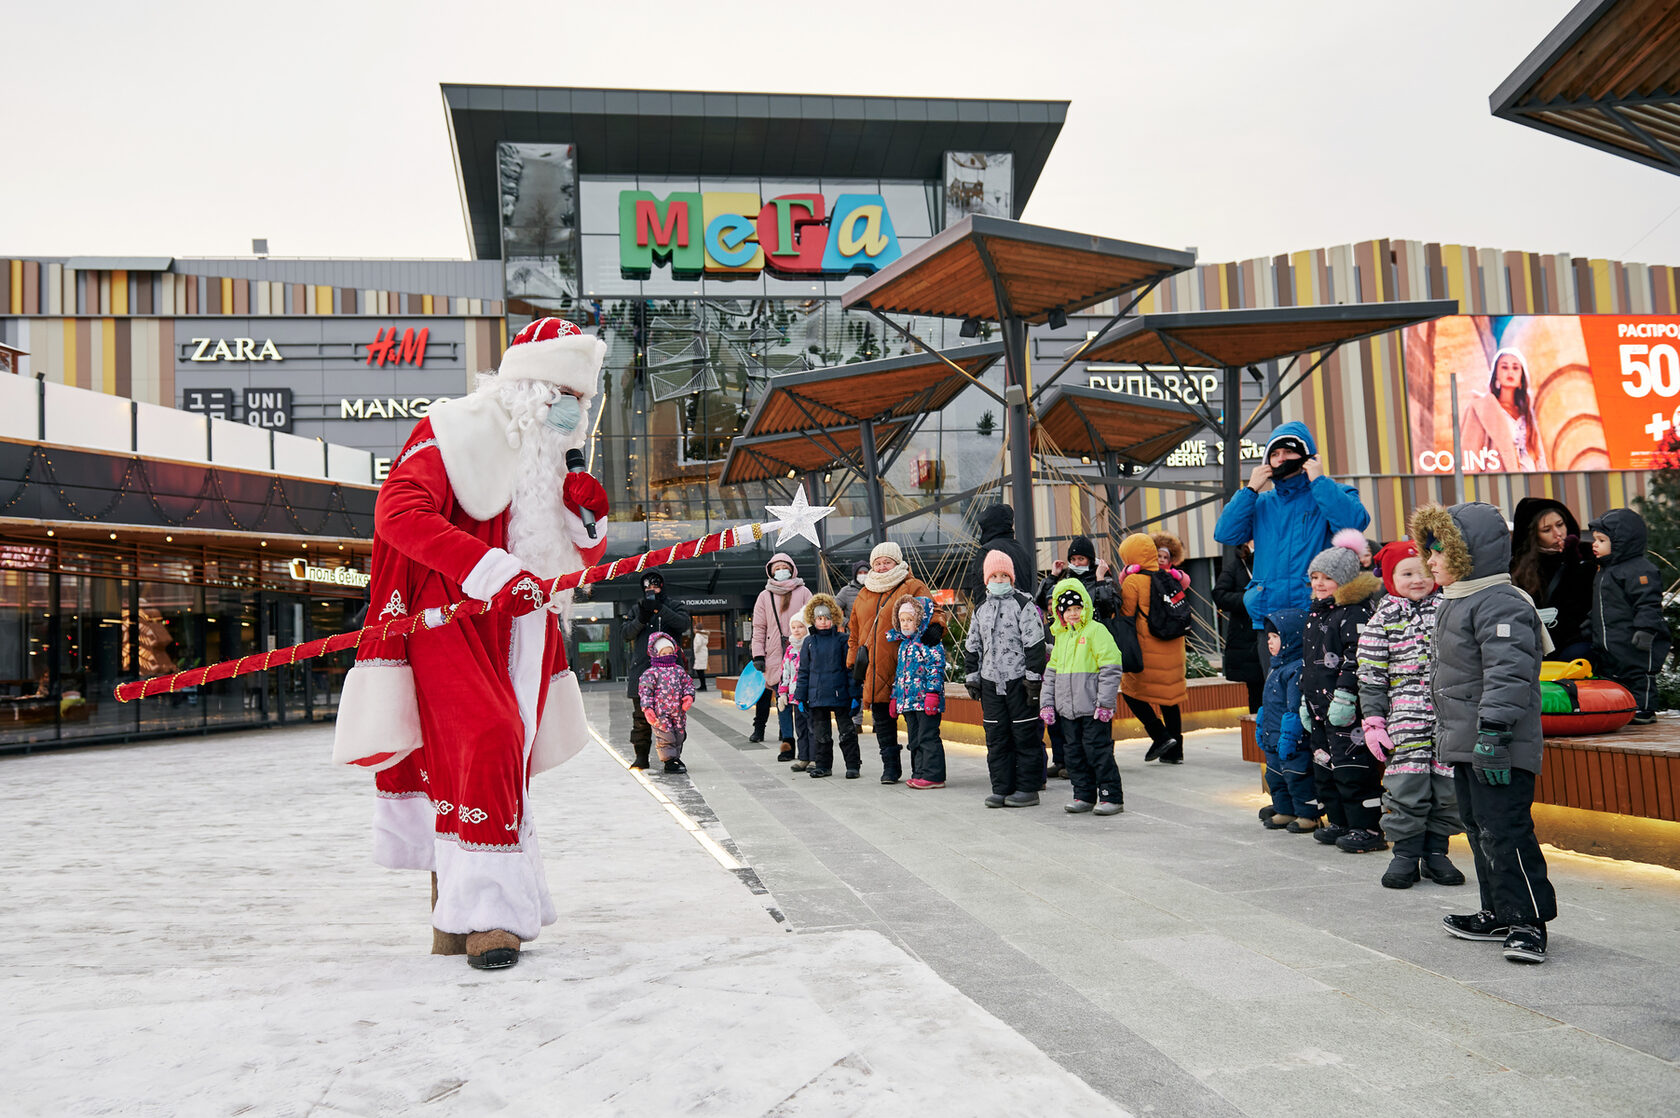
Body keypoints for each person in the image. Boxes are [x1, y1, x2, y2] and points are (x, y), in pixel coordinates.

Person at [334, 316, 611, 970]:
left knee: (497, 760)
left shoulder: (553, 459)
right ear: (531, 390)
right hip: (451, 615)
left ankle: (453, 914)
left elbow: (573, 560)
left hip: (525, 626)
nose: (573, 413)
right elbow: (398, 514)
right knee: (486, 737)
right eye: (565, 397)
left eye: (582, 402)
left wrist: (587, 524)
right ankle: (489, 917)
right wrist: (490, 572)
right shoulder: (452, 429)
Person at [1413, 501, 1556, 964]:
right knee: (1478, 828)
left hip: (1499, 744)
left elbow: (1508, 674)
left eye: (1438, 551)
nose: (1429, 561)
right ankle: (1498, 910)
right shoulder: (1461, 599)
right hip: (1466, 742)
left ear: (1467, 551)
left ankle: (1528, 922)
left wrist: (1493, 734)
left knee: (1506, 830)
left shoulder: (1500, 602)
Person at [1213, 420, 1371, 676]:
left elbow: (1353, 524)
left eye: (1288, 451)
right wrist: (1250, 489)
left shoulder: (1333, 492)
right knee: (1279, 696)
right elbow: (1226, 533)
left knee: (1319, 696)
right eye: (1274, 454)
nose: (1281, 458)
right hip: (1270, 616)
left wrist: (1319, 481)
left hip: (1318, 613)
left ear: (1307, 455)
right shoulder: (1260, 502)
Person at [1358, 541, 1464, 889]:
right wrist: (1373, 720)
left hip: (1448, 713)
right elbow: (1371, 674)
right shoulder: (1382, 619)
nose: (1417, 579)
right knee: (1407, 784)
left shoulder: (1450, 608)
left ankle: (1436, 853)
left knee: (1447, 785)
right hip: (1404, 715)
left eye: (1423, 571)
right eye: (1407, 573)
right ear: (1390, 578)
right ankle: (1405, 854)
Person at [1298, 538, 1386, 854]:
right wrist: (1303, 701)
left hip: (1345, 709)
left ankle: (1367, 827)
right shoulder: (1316, 613)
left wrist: (1346, 696)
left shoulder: (1354, 612)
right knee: (1325, 768)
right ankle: (1339, 821)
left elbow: (1357, 657)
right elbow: (1309, 662)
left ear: (1345, 580)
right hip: (1319, 706)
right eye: (1315, 578)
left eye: (1327, 578)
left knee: (1352, 770)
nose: (1320, 584)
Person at [847, 541, 945, 784]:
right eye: (877, 563)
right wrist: (852, 663)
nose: (881, 567)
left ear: (897, 562)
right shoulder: (864, 592)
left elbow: (935, 611)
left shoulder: (912, 585)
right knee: (882, 719)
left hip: (908, 665)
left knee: (915, 723)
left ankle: (921, 769)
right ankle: (890, 767)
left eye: (886, 562)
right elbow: (854, 632)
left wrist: (936, 627)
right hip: (875, 666)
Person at [964, 549, 1048, 808]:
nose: (999, 580)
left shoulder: (1023, 606)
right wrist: (972, 677)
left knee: (1024, 734)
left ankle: (1027, 789)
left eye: (1004, 575)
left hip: (1018, 681)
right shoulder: (981, 610)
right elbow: (972, 645)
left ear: (1011, 579)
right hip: (991, 682)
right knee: (997, 736)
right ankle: (1002, 787)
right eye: (994, 575)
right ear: (987, 579)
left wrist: (1033, 681)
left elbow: (1035, 644)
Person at [1035, 536, 1119, 777]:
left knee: (1089, 715)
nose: (1076, 562)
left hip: (1091, 647)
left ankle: (1093, 763)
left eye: (1081, 558)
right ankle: (1064, 760)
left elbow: (1109, 607)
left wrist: (1102, 579)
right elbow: (1043, 603)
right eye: (1073, 559)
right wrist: (1052, 577)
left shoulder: (1101, 579)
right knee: (1064, 710)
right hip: (1065, 643)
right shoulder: (1065, 581)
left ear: (1090, 560)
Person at [1039, 579, 1125, 816]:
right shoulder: (1062, 638)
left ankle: (1110, 795)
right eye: (1068, 610)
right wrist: (1047, 703)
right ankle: (1083, 794)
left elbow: (1111, 667)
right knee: (1073, 754)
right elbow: (1051, 673)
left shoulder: (1096, 631)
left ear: (1085, 607)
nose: (1073, 614)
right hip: (1068, 710)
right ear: (1060, 613)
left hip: (1093, 709)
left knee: (1097, 751)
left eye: (1077, 608)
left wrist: (1105, 703)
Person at [1585, 508, 1672, 724]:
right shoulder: (1604, 572)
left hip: (1635, 640)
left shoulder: (1639, 570)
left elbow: (1648, 603)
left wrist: (1646, 629)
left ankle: (1644, 708)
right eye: (1595, 539)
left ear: (1621, 542)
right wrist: (1590, 624)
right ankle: (1617, 707)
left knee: (1638, 674)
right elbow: (1601, 606)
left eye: (1601, 540)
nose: (1594, 544)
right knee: (1612, 674)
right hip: (1611, 641)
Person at [1118, 532, 1188, 765]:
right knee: (1170, 698)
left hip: (1149, 647)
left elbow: (1126, 615)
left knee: (1130, 691)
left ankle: (1159, 735)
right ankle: (1175, 752)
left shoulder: (1134, 581)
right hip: (1174, 645)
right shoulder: (1169, 577)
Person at [1255, 608, 1318, 832]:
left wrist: (1290, 737)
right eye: (1269, 638)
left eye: (1275, 637)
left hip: (1291, 740)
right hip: (1273, 735)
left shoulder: (1295, 669)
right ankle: (1285, 809)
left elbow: (1294, 708)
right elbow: (1268, 702)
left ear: (1291, 638)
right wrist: (1262, 726)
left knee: (1297, 776)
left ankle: (1308, 814)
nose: (1270, 642)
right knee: (1275, 776)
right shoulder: (1276, 666)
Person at [1510, 497, 1595, 663]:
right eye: (1547, 530)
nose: (1558, 533)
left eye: (1560, 524)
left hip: (1575, 643)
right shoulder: (1520, 566)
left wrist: (1573, 559)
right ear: (1534, 535)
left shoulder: (1587, 554)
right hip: (1537, 644)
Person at [751, 551, 812, 759]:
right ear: (770, 572)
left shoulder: (804, 592)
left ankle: (807, 745)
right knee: (782, 701)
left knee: (803, 702)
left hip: (803, 653)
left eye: (784, 568)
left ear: (792, 569)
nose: (781, 572)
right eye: (776, 569)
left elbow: (812, 621)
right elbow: (758, 628)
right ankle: (787, 743)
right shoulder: (764, 596)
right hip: (776, 656)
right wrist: (758, 654)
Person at [795, 594, 863, 779]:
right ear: (813, 619)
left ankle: (853, 765)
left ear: (833, 619)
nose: (823, 622)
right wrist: (800, 697)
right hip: (817, 696)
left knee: (847, 733)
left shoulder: (842, 640)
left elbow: (850, 669)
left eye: (826, 618)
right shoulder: (809, 642)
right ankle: (823, 765)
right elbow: (804, 671)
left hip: (840, 694)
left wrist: (855, 695)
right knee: (820, 734)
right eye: (819, 618)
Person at [888, 595, 948, 789]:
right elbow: (900, 675)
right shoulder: (904, 646)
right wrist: (895, 697)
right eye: (902, 620)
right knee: (914, 739)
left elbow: (935, 668)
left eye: (909, 620)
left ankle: (934, 775)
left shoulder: (928, 643)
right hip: (908, 702)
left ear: (920, 620)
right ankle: (919, 772)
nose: (905, 624)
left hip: (926, 701)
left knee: (927, 737)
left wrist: (932, 693)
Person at [1461, 348, 1547, 473]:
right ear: (1496, 374)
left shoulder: (1526, 413)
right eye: (1504, 367)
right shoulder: (1481, 408)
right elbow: (1469, 454)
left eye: (1515, 368)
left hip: (1531, 482)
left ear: (1521, 378)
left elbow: (1539, 457)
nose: (1510, 372)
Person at [1213, 543, 1263, 713]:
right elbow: (1219, 595)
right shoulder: (1235, 566)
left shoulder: (1273, 560)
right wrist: (1249, 599)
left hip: (1273, 631)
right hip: (1247, 637)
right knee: (1256, 689)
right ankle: (1259, 735)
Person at [637, 632, 696, 774]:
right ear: (656, 653)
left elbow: (688, 684)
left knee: (679, 734)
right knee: (665, 735)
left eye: (670, 652)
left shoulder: (679, 670)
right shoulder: (651, 673)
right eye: (664, 652)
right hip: (660, 712)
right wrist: (648, 709)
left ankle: (675, 757)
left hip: (678, 711)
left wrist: (688, 696)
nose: (667, 655)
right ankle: (669, 761)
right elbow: (645, 691)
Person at [967, 503, 1035, 600]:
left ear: (988, 525)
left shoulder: (987, 552)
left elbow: (981, 590)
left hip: (995, 612)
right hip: (1023, 609)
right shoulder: (1021, 550)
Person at [780, 614, 813, 771]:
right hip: (795, 696)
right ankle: (803, 757)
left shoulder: (811, 645)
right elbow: (785, 672)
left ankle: (815, 758)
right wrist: (783, 693)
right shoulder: (790, 649)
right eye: (793, 627)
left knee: (813, 727)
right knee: (800, 728)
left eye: (800, 626)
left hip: (811, 694)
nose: (797, 630)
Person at [691, 626, 710, 692]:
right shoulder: (704, 635)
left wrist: (696, 650)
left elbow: (698, 644)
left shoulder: (698, 635)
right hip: (703, 652)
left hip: (700, 654)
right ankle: (703, 685)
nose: (694, 630)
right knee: (701, 670)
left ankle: (703, 686)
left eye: (694, 628)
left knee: (699, 670)